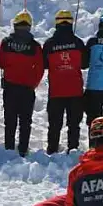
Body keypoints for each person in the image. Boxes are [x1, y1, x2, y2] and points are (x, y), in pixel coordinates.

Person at [41, 9, 88, 154]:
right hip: (75, 90)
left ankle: (52, 148)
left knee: (54, 124)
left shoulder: (49, 44)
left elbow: (44, 64)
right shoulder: (78, 42)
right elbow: (85, 63)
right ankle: (72, 148)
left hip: (56, 90)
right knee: (74, 124)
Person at [0, 10, 44, 156]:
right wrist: (33, 83)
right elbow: (40, 68)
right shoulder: (35, 46)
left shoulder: (6, 43)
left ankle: (9, 148)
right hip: (27, 88)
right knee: (25, 121)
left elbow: (2, 63)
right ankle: (23, 149)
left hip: (10, 87)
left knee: (10, 120)